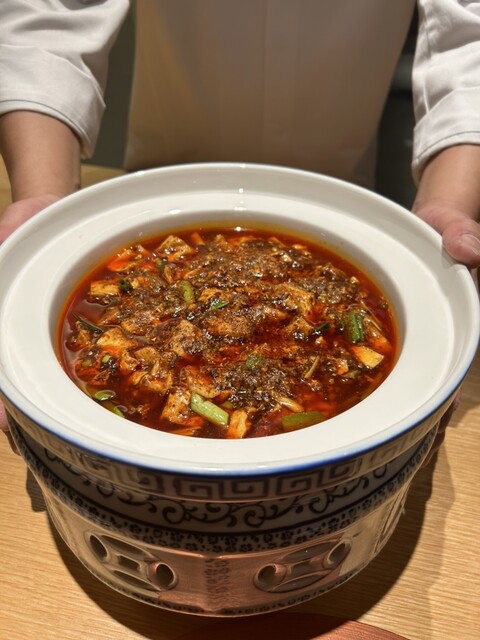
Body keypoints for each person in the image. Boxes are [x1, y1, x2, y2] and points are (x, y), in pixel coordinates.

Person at [0, 0, 479, 444]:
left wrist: (448, 202)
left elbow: (469, 31)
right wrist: (47, 200)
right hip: (159, 187)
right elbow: (52, 14)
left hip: (340, 198)